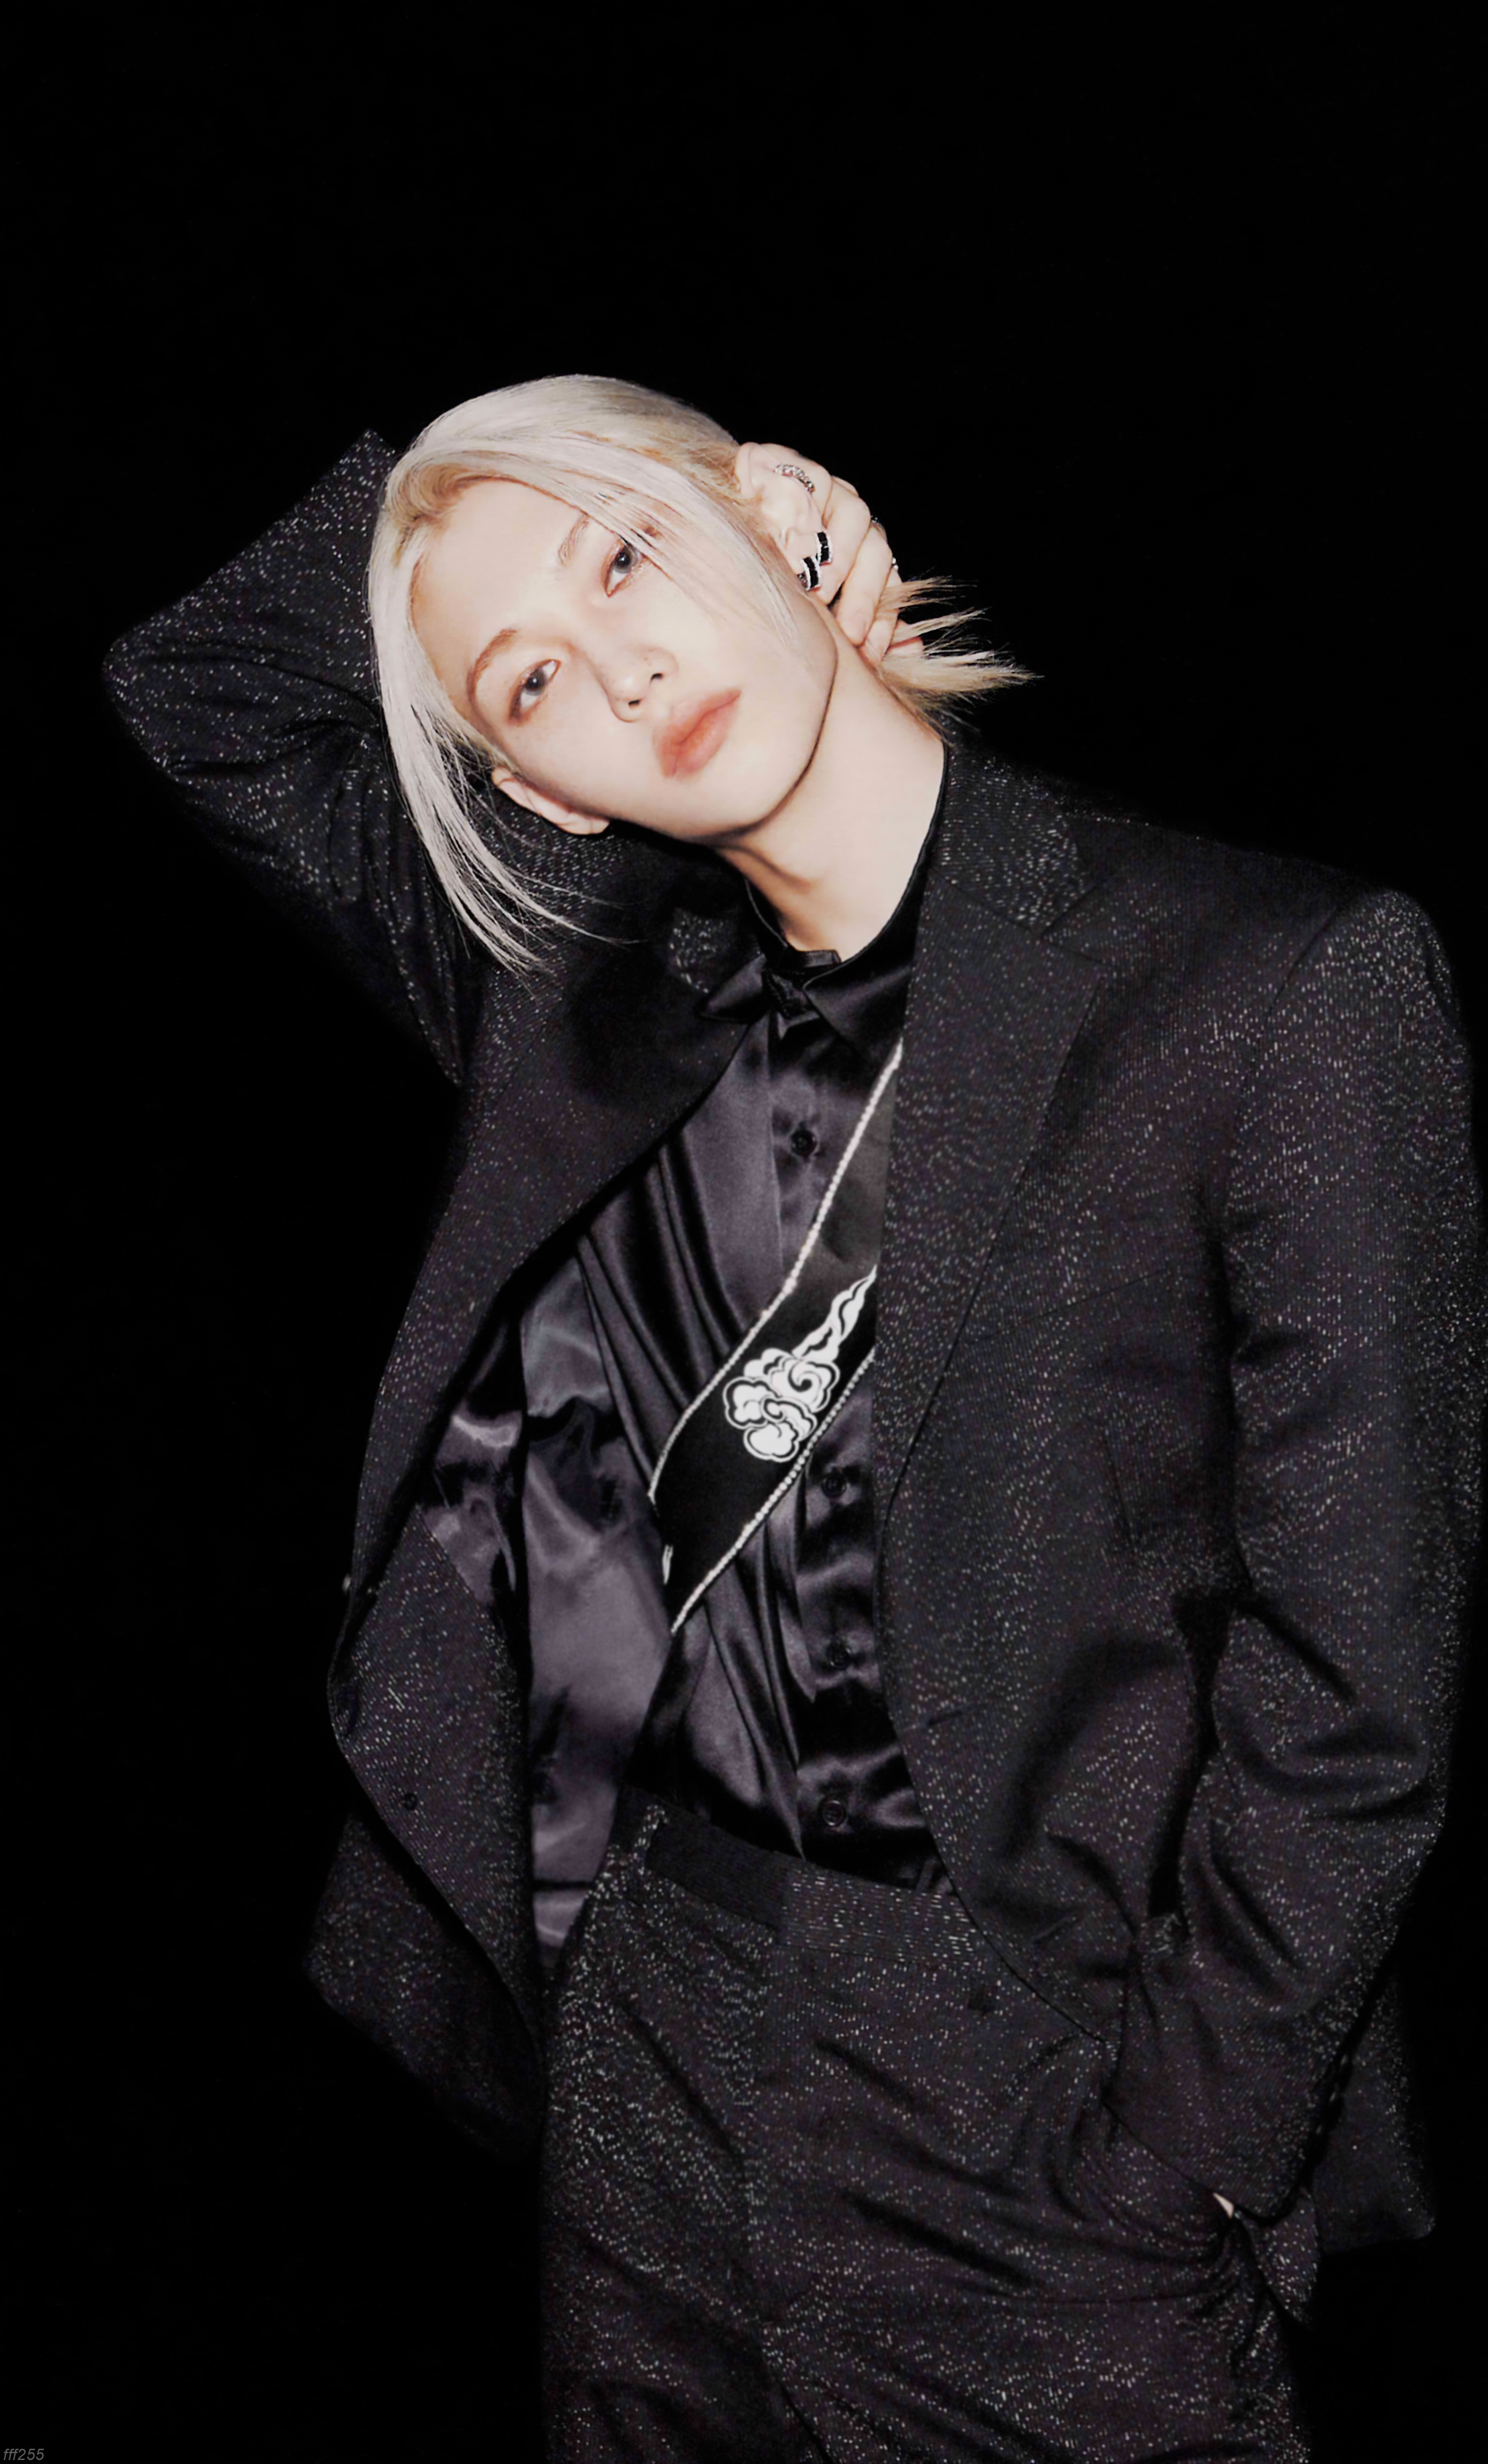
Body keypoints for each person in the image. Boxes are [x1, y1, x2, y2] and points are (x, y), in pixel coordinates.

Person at [103, 375, 1484, 2464]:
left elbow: (1354, 1683)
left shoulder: (1269, 985)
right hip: (642, 2039)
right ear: (533, 786)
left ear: (774, 515)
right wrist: (461, 500)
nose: (621, 665)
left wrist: (1183, 2155)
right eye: (531, 679)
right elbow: (197, 694)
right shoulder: (574, 1018)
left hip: (1033, 2098)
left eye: (631, 555)